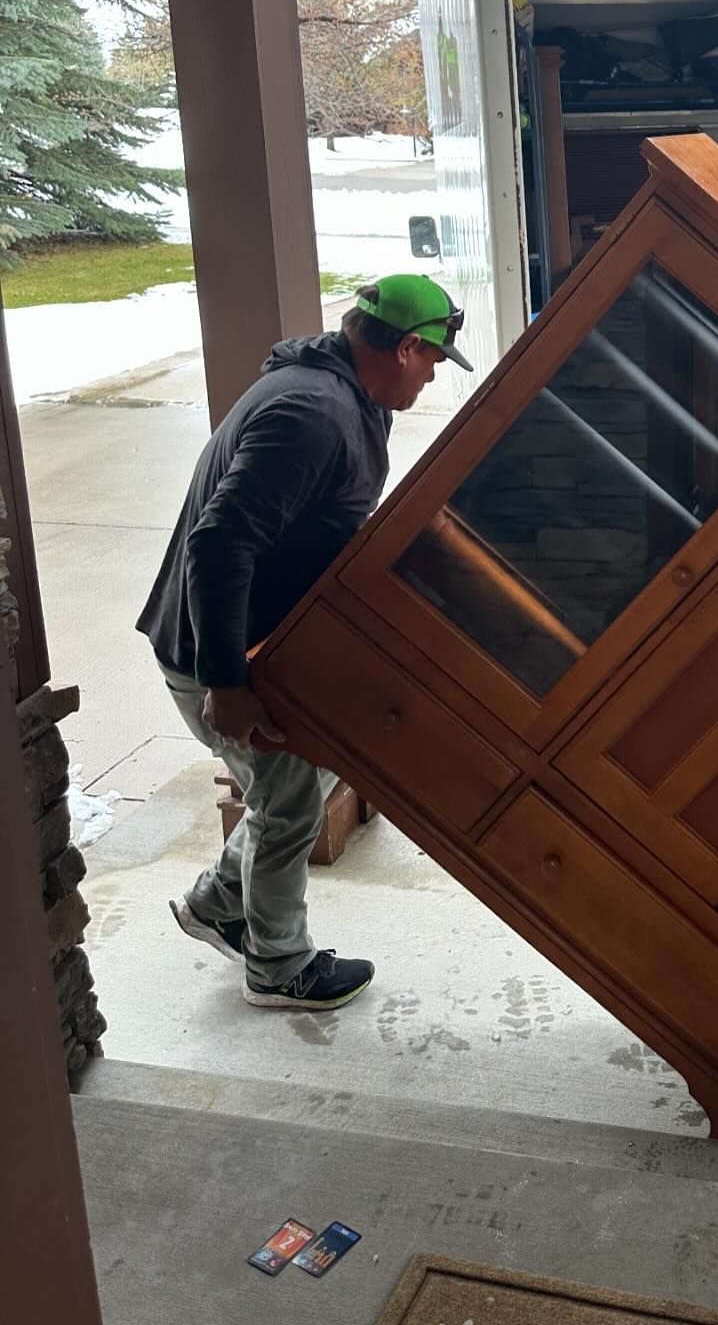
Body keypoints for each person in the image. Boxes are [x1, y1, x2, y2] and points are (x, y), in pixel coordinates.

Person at [137, 274, 473, 1012]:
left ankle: (219, 902)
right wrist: (227, 681)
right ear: (408, 346)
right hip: (219, 655)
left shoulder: (345, 394)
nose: (433, 377)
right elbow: (221, 542)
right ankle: (279, 966)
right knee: (288, 803)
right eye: (436, 361)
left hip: (257, 649)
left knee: (308, 778)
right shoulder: (312, 412)